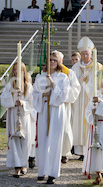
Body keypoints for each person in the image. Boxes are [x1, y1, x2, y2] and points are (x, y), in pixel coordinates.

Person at [33, 51, 70, 184]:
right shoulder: (40, 76)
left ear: (59, 62)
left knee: (54, 141)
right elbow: (34, 93)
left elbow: (64, 96)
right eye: (49, 60)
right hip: (44, 111)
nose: (52, 62)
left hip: (56, 111)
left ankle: (52, 173)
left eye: (54, 60)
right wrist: (43, 94)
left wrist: (53, 85)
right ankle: (42, 170)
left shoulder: (63, 78)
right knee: (42, 141)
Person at [71, 37, 103, 161]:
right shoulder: (75, 68)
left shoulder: (98, 67)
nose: (85, 56)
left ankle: (91, 148)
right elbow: (71, 83)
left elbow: (101, 82)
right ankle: (81, 151)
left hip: (91, 100)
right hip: (78, 101)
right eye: (83, 54)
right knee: (78, 123)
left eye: (87, 53)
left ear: (91, 54)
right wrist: (79, 82)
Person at [0, 62, 33, 178]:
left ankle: (24, 164)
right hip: (13, 114)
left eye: (19, 70)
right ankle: (17, 166)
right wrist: (13, 95)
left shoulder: (28, 86)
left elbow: (32, 102)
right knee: (14, 139)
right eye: (14, 70)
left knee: (25, 140)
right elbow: (3, 99)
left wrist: (23, 103)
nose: (16, 72)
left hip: (24, 116)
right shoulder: (9, 85)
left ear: (23, 71)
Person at [83, 76, 103, 185]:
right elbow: (87, 112)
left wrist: (101, 102)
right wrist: (91, 114)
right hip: (96, 124)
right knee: (95, 151)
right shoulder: (94, 96)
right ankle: (98, 174)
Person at [52, 50, 81, 164]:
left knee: (65, 129)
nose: (54, 61)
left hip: (64, 106)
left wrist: (64, 97)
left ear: (61, 60)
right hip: (50, 106)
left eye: (57, 59)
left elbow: (75, 88)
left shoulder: (69, 73)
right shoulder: (48, 72)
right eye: (52, 59)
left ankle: (64, 152)